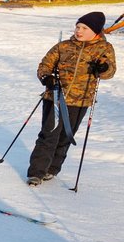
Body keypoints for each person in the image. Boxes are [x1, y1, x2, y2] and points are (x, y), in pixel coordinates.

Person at [26, 11, 116, 185]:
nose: (79, 31)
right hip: (56, 97)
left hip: (81, 100)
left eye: (84, 28)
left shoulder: (104, 48)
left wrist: (103, 68)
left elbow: (110, 71)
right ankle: (36, 172)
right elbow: (45, 65)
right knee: (49, 134)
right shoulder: (63, 46)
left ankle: (52, 168)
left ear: (96, 31)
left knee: (66, 135)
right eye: (77, 27)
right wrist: (46, 77)